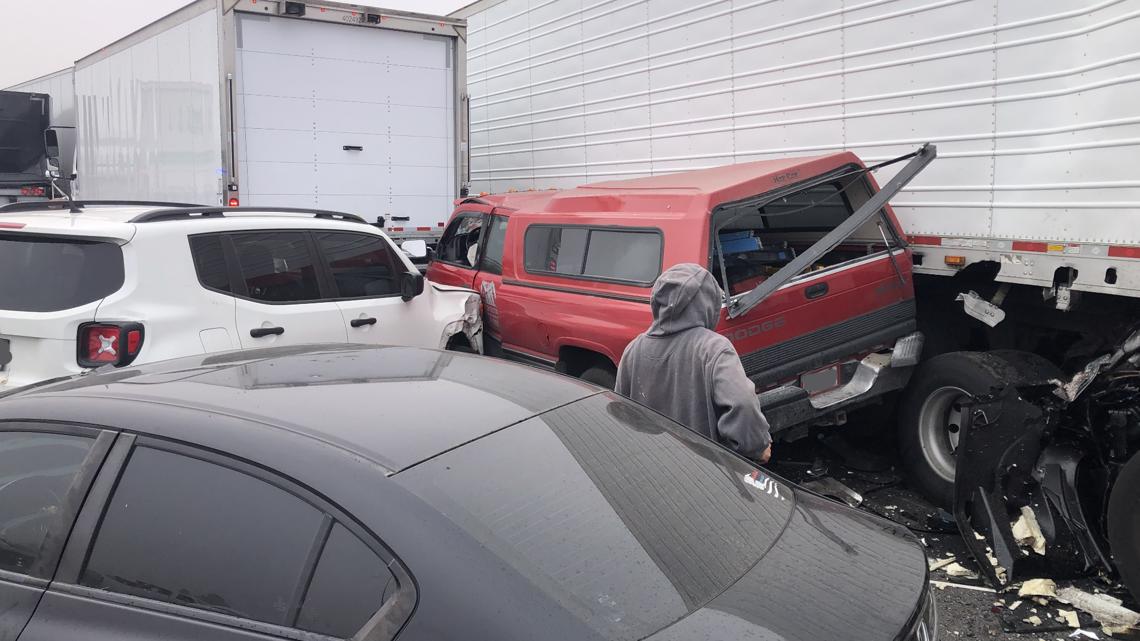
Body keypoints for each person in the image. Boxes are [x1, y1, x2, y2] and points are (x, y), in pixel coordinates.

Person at [615, 263, 773, 463]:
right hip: (703, 474)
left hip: (651, 468)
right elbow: (742, 403)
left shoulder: (633, 349)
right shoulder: (713, 348)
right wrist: (756, 447)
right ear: (708, 302)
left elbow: (623, 414)